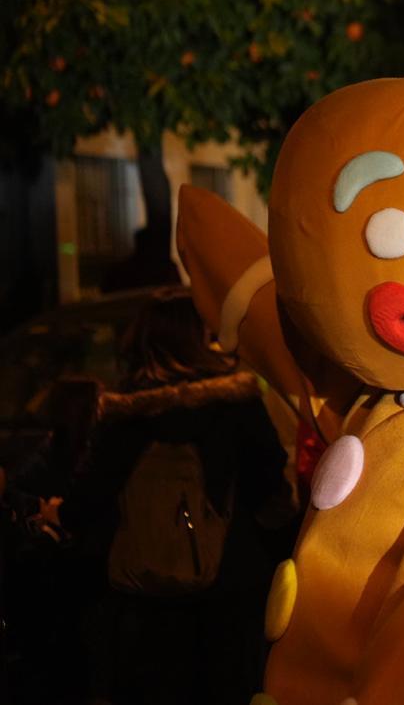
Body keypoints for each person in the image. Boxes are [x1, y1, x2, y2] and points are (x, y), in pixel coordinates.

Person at [43, 289, 292, 705]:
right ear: (196, 338)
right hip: (231, 588)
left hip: (145, 597)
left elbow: (89, 500)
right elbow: (269, 485)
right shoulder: (236, 404)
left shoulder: (124, 415)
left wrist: (59, 515)